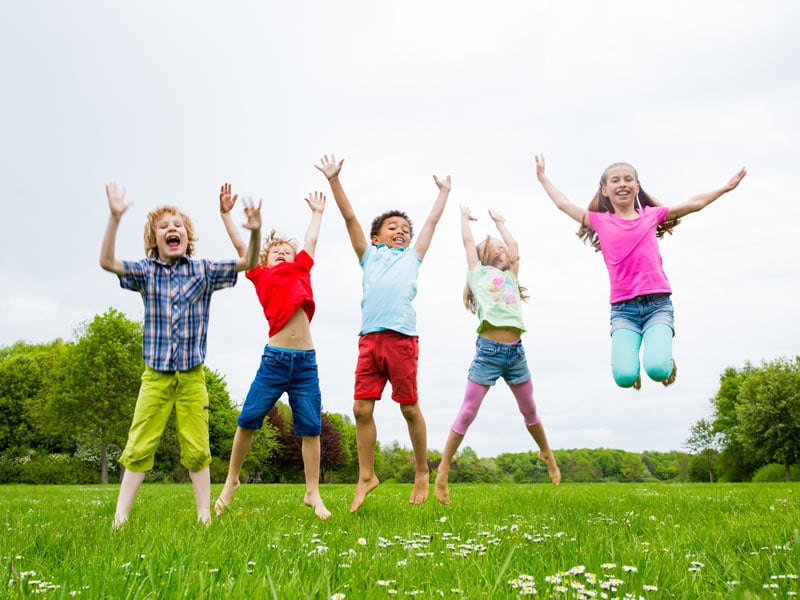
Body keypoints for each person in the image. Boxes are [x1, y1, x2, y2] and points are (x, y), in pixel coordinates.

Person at [100, 182, 261, 528]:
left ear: (187, 236)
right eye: (163, 227)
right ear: (153, 240)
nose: (172, 230)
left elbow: (249, 261)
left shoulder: (202, 271)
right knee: (139, 444)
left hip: (191, 376)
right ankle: (120, 518)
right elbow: (107, 262)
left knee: (196, 445)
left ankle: (204, 515)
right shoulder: (146, 272)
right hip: (155, 376)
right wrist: (114, 218)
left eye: (178, 226)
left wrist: (255, 230)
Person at [535, 155, 746, 389]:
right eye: (615, 180)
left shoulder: (651, 215)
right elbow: (563, 204)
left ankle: (664, 356)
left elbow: (693, 203)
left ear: (637, 186)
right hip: (624, 310)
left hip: (657, 305)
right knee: (624, 378)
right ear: (604, 190)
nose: (622, 184)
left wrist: (725, 189)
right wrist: (543, 179)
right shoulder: (599, 221)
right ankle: (632, 362)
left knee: (658, 370)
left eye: (628, 179)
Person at [315, 154, 450, 513]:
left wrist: (443, 193)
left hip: (401, 339)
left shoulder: (412, 257)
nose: (401, 231)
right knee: (361, 408)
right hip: (369, 340)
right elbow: (348, 217)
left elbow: (432, 223)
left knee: (408, 408)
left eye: (405, 228)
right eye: (393, 227)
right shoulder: (369, 256)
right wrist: (334, 180)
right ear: (376, 237)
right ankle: (366, 475)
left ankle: (422, 471)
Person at [214, 183, 331, 520]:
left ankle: (312, 492)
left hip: (306, 363)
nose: (282, 253)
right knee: (248, 419)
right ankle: (231, 481)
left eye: (286, 250)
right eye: (275, 250)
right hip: (275, 360)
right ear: (263, 259)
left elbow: (310, 241)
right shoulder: (260, 274)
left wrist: (317, 213)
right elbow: (241, 245)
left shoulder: (302, 269)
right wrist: (226, 214)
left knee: (311, 427)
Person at [435, 206, 561, 504]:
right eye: (499, 248)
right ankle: (442, 470)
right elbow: (467, 243)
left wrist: (502, 223)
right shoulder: (479, 275)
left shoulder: (512, 278)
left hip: (516, 354)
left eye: (504, 248)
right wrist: (464, 219)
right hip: (488, 354)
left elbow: (516, 248)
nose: (505, 251)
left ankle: (547, 453)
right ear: (486, 255)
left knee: (530, 410)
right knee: (468, 411)